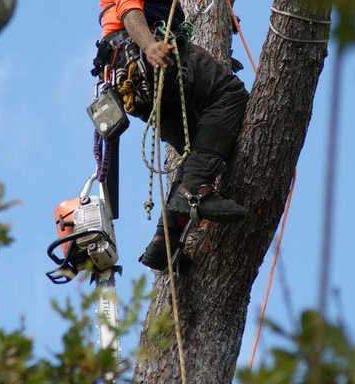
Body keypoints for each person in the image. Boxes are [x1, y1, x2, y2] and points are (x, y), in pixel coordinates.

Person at [94, 0, 249, 271]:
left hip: (134, 83)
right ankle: (193, 191)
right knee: (229, 95)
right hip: (150, 57)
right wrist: (149, 45)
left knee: (199, 146)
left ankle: (165, 238)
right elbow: (129, 9)